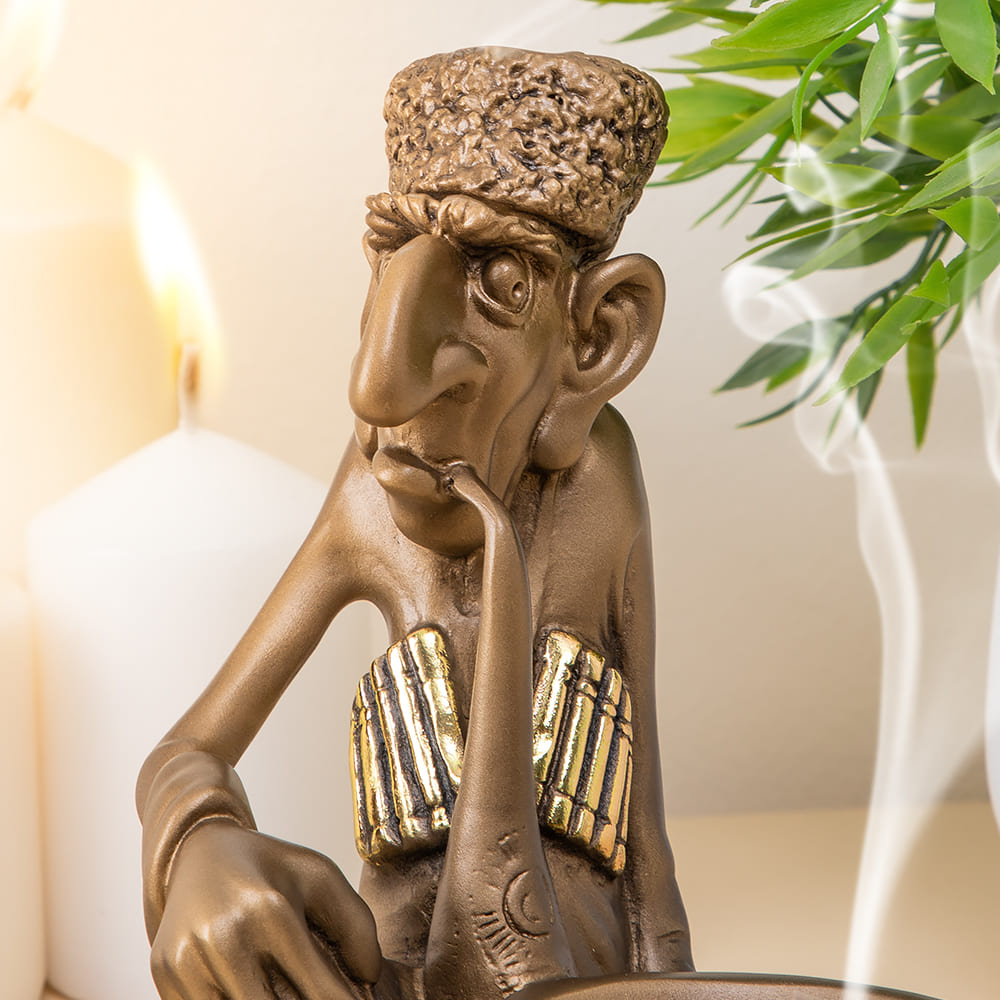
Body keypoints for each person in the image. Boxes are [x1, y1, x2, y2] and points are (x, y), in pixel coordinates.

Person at [136, 46, 693, 1000]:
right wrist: (197, 843)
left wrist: (674, 977)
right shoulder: (370, 495)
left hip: (583, 973)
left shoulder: (601, 484)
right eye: (393, 258)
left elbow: (642, 828)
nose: (378, 388)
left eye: (501, 281)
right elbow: (185, 753)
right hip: (403, 966)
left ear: (598, 338)